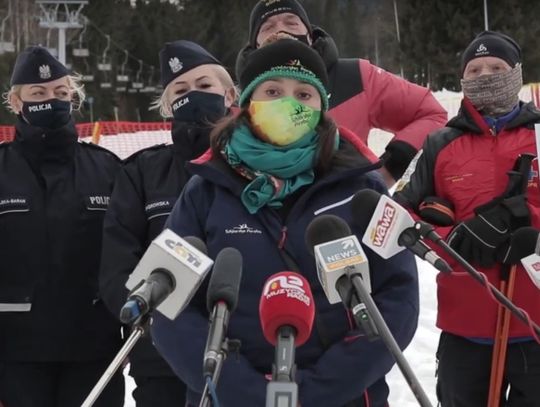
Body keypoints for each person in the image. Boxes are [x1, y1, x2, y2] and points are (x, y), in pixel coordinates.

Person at [151, 38, 419, 407]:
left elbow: (398, 299)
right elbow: (168, 306)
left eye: (304, 94)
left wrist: (319, 390)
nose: (288, 103)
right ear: (247, 104)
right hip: (227, 396)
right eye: (273, 91)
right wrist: (241, 389)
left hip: (346, 398)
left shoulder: (363, 187)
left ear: (322, 107)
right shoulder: (204, 189)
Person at [394, 31, 540, 406]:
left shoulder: (539, 136)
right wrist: (452, 238)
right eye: (474, 70)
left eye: (496, 67)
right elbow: (400, 213)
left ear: (516, 74)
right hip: (465, 322)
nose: (485, 75)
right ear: (461, 79)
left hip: (535, 322)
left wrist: (531, 229)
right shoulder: (439, 143)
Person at [99, 40, 236, 407]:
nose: (193, 96)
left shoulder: (258, 168)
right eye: (181, 89)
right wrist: (156, 324)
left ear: (230, 93)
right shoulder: (142, 172)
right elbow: (117, 264)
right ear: (167, 105)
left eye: (205, 86)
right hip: (161, 360)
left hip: (246, 355)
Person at [0, 46, 124, 407]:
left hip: (94, 352)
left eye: (60, 93)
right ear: (16, 101)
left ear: (73, 98)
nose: (50, 100)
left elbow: (126, 255)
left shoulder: (108, 170)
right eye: (38, 94)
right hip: (15, 356)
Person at [236, 0, 448, 187]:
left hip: (345, 218)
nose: (280, 31)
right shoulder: (240, 97)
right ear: (254, 45)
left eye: (291, 22)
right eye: (268, 27)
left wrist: (391, 166)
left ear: (309, 36)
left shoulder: (355, 76)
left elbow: (429, 112)